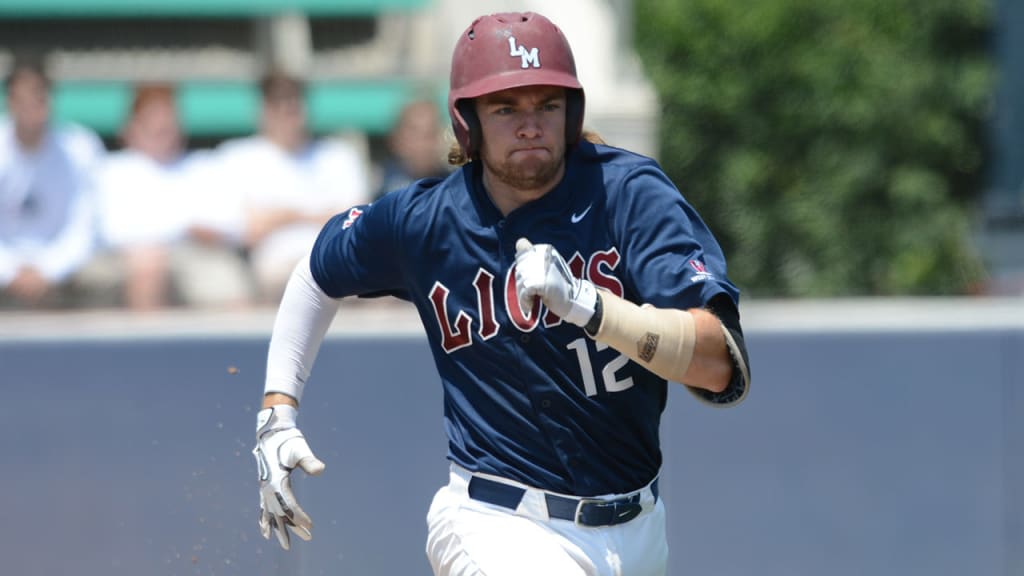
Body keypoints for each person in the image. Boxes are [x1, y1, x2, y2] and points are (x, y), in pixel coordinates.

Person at [251, 11, 751, 576]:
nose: (530, 125)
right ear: (468, 122)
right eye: (506, 108)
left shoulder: (628, 195)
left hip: (640, 529)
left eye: (547, 104)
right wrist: (277, 410)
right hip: (497, 521)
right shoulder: (427, 220)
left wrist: (591, 307)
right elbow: (315, 274)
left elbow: (717, 364)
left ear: (572, 113)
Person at [89, 83, 252, 310]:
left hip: (197, 255)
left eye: (167, 119)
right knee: (148, 267)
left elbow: (231, 225)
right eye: (152, 119)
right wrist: (182, 227)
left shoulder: (203, 165)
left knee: (229, 284)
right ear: (131, 127)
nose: (161, 126)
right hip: (128, 260)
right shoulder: (111, 170)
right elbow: (111, 231)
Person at [214, 69, 371, 304]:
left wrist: (283, 216)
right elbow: (246, 231)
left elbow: (356, 223)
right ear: (263, 109)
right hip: (276, 268)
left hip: (337, 261)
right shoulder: (236, 157)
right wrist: (317, 215)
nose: (287, 109)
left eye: (293, 100)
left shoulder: (339, 155)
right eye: (277, 101)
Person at [0, 54, 105, 309]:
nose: (31, 107)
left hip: (66, 271)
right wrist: (10, 270)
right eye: (22, 98)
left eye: (38, 97)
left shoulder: (80, 148)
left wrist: (49, 269)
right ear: (10, 101)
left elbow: (85, 225)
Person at [374, 98, 451, 200]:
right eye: (416, 134)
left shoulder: (451, 185)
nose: (424, 144)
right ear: (397, 139)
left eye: (430, 134)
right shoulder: (380, 185)